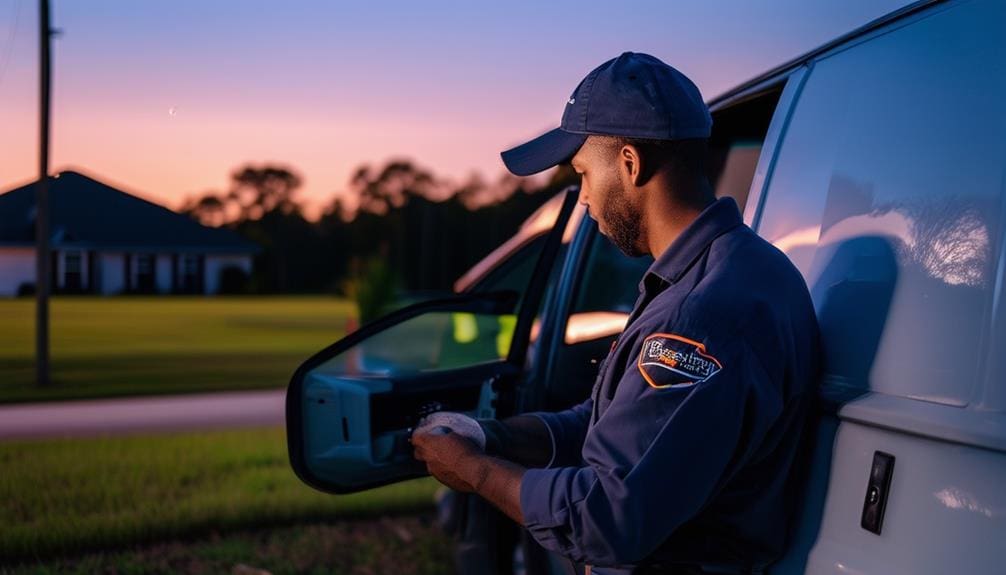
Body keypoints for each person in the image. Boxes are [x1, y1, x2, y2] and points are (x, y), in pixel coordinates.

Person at [411, 52, 820, 575]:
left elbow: (606, 519)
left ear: (629, 163)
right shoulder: (735, 271)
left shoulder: (700, 316)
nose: (583, 198)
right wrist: (492, 437)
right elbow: (611, 426)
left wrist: (474, 472)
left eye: (583, 174)